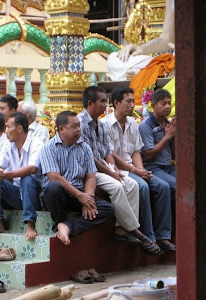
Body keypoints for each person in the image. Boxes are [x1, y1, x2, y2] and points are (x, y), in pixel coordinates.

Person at [78, 86, 163, 255]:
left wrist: (116, 171)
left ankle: (120, 229)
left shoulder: (100, 125)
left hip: (103, 168)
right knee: (118, 186)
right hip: (88, 171)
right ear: (90, 103)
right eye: (102, 101)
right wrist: (112, 173)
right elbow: (89, 158)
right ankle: (137, 232)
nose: (105, 105)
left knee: (129, 183)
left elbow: (107, 152)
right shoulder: (80, 122)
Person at [102, 86, 175, 252]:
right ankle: (148, 235)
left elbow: (136, 151)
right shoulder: (105, 124)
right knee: (142, 187)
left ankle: (164, 236)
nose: (132, 105)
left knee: (162, 187)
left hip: (134, 167)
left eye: (133, 101)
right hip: (117, 168)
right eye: (128, 101)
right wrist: (136, 171)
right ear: (116, 103)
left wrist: (141, 170)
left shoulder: (132, 123)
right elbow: (111, 153)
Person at [108, 0, 206, 80]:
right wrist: (141, 49)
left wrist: (205, 43)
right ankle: (155, 73)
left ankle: (155, 75)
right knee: (114, 60)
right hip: (181, 59)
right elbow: (166, 39)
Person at [40, 111, 115, 245]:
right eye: (74, 126)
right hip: (59, 195)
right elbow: (54, 177)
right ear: (62, 129)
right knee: (53, 188)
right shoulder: (48, 148)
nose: (78, 129)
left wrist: (88, 198)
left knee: (108, 209)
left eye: (79, 126)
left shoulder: (84, 147)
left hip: (79, 194)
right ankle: (60, 221)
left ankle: (67, 226)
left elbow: (91, 176)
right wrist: (81, 196)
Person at [0, 112, 42, 241]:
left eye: (8, 127)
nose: (5, 131)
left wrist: (6, 175)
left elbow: (33, 168)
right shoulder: (8, 144)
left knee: (27, 178)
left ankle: (30, 224)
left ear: (19, 128)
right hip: (17, 195)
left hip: (36, 196)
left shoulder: (36, 143)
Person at [139, 89, 176, 206]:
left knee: (189, 182)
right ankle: (165, 225)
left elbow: (175, 154)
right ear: (153, 106)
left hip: (168, 167)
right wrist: (167, 136)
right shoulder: (146, 125)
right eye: (163, 103)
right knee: (175, 185)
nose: (167, 106)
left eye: (169, 103)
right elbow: (149, 155)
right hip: (153, 167)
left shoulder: (168, 124)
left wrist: (174, 136)